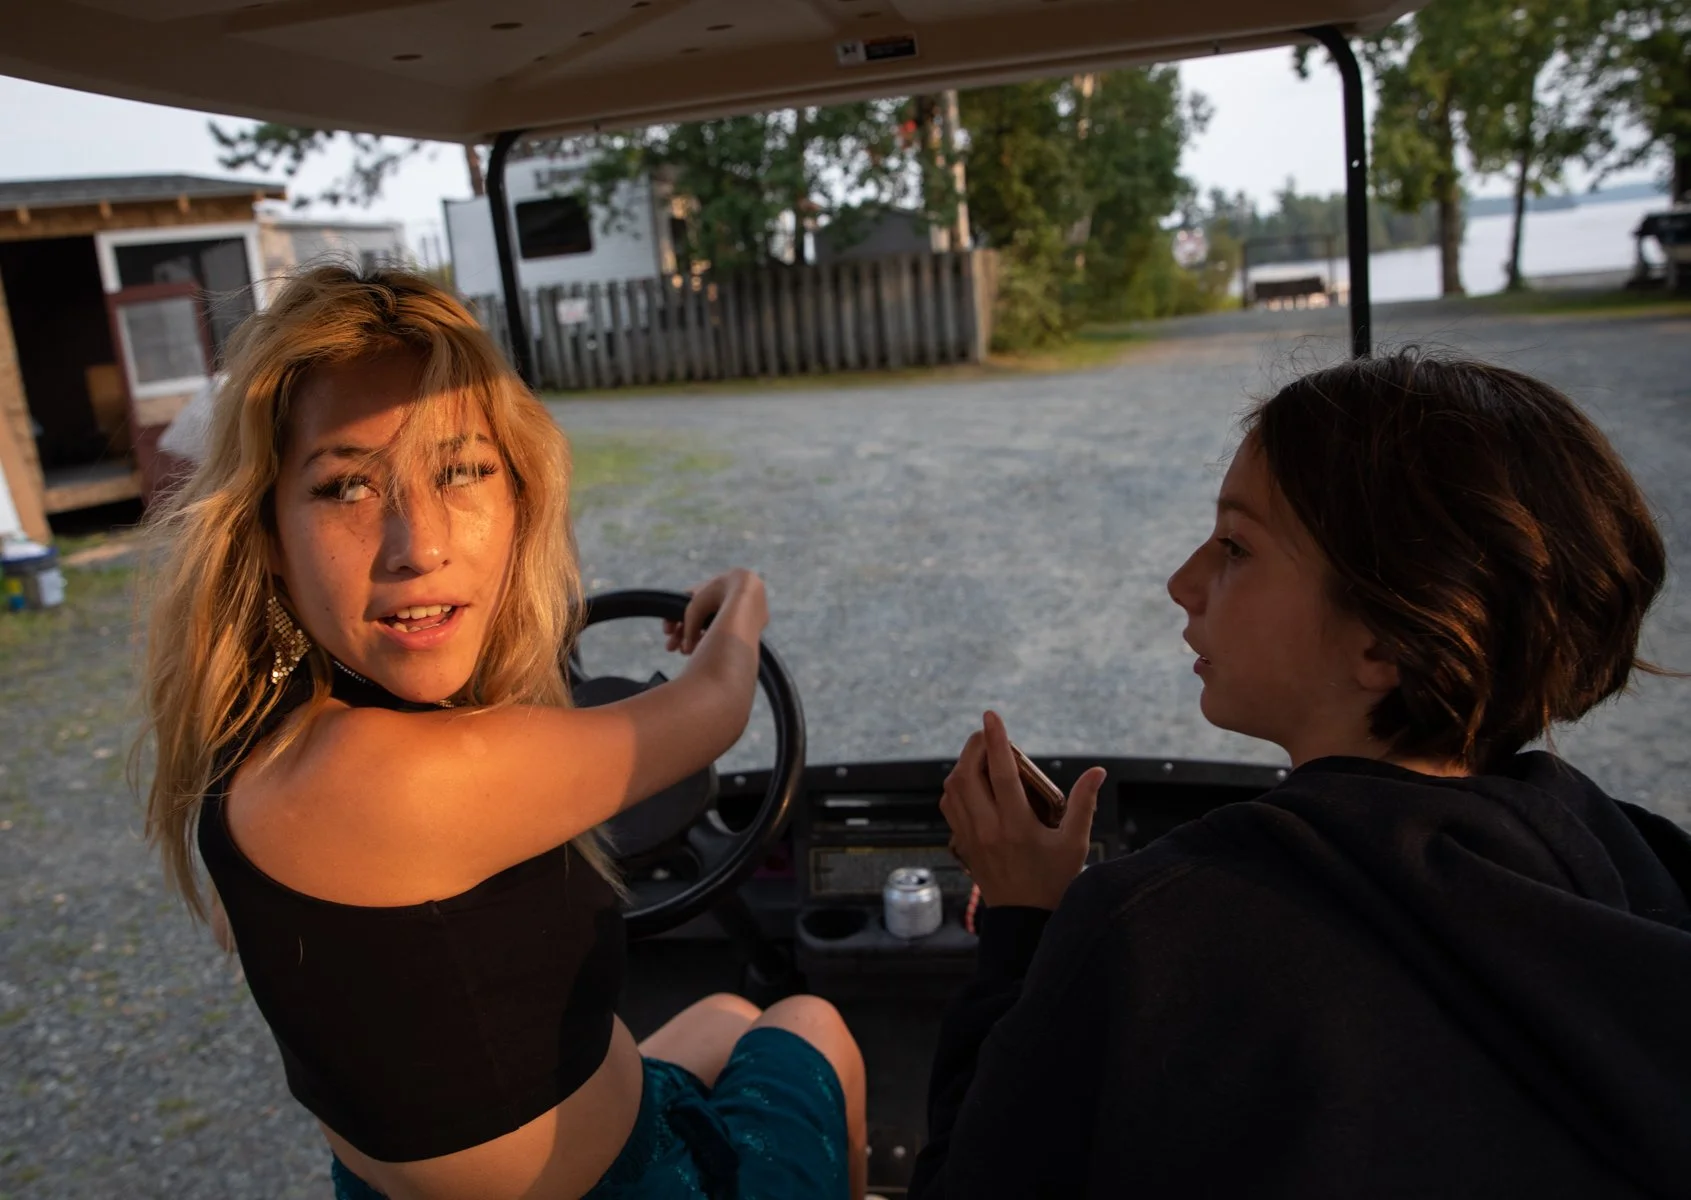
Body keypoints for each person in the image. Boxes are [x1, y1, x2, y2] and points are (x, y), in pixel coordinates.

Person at [137, 265, 866, 1200]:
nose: (420, 545)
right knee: (811, 1023)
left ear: (518, 497)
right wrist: (744, 605)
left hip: (578, 1132)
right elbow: (714, 708)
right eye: (348, 487)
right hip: (628, 1183)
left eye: (462, 471)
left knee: (726, 1011)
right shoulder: (393, 778)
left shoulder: (264, 738)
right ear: (268, 534)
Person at [911, 350, 1691, 1199]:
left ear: (1391, 638)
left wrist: (1026, 920)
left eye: (1236, 547)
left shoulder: (1153, 935)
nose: (1182, 583)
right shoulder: (1646, 865)